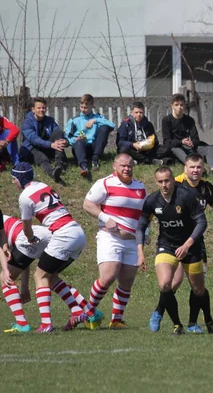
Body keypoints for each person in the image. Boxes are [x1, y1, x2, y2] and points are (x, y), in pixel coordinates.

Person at [148, 153, 213, 334]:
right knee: (173, 282)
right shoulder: (175, 183)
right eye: (192, 167)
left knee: (197, 285)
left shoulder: (206, 187)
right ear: (185, 168)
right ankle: (158, 312)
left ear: (203, 168)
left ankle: (194, 323)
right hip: (174, 242)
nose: (195, 170)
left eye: (199, 167)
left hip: (195, 241)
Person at [10, 162, 100, 333]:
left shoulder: (24, 197)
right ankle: (78, 311)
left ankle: (46, 324)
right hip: (78, 233)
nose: (14, 183)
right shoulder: (43, 185)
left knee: (40, 275)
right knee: (51, 277)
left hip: (63, 234)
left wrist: (30, 238)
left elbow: (26, 227)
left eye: (14, 179)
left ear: (19, 179)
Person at [137, 167, 208, 335]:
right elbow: (140, 226)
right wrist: (140, 252)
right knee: (165, 284)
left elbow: (202, 222)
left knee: (198, 289)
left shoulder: (186, 196)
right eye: (160, 181)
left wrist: (187, 244)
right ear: (156, 182)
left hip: (190, 246)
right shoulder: (152, 200)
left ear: (173, 181)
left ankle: (194, 322)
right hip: (166, 245)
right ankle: (177, 324)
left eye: (167, 180)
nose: (164, 185)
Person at [82, 153, 147, 329]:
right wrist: (105, 217)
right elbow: (88, 204)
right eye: (123, 166)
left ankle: (116, 319)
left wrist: (145, 232)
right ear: (114, 166)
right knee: (108, 276)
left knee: (126, 281)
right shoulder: (105, 183)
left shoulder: (140, 187)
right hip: (110, 237)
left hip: (132, 240)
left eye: (129, 166)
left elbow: (144, 215)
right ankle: (89, 313)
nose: (126, 169)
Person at [161, 93, 213, 177]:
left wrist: (191, 142)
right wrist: (181, 141)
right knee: (176, 150)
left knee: (210, 148)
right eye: (176, 105)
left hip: (189, 146)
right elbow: (167, 141)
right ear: (172, 106)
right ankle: (196, 168)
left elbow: (196, 138)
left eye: (181, 105)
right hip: (175, 147)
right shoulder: (166, 120)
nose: (179, 107)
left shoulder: (189, 120)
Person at [19, 97, 68, 181]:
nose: (41, 110)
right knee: (42, 158)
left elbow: (59, 133)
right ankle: (52, 173)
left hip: (47, 147)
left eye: (43, 108)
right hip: (32, 149)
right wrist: (51, 144)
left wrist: (66, 141)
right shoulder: (27, 122)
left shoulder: (50, 120)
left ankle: (59, 164)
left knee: (59, 132)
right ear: (33, 109)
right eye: (39, 108)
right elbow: (34, 139)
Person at [64, 94, 115, 175]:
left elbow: (112, 125)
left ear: (92, 106)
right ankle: (83, 166)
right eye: (81, 107)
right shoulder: (74, 120)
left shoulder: (98, 117)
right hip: (80, 147)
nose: (83, 110)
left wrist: (94, 120)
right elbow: (67, 137)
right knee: (79, 142)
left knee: (105, 127)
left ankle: (95, 159)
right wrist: (75, 139)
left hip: (94, 147)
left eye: (86, 107)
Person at [117, 101, 164, 165]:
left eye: (141, 112)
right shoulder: (125, 124)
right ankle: (150, 160)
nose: (139, 114)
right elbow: (120, 142)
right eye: (136, 112)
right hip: (133, 149)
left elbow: (155, 141)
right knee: (123, 150)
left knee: (165, 149)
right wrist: (133, 144)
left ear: (144, 113)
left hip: (146, 150)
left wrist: (148, 143)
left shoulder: (148, 124)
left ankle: (138, 161)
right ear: (131, 113)